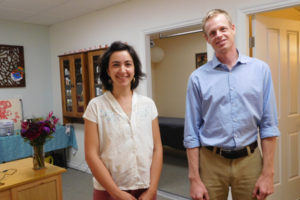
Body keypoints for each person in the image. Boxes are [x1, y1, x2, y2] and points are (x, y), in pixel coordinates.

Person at [184, 9, 280, 200]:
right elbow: (191, 133)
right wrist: (194, 178)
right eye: (212, 32)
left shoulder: (260, 70)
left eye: (223, 29)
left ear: (233, 29)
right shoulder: (197, 78)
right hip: (211, 162)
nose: (218, 35)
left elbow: (269, 126)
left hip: (250, 161)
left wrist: (268, 173)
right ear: (207, 38)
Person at [83, 41, 163, 200]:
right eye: (116, 65)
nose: (123, 70)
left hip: (145, 188)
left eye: (128, 64)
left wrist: (152, 189)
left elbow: (157, 148)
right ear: (108, 70)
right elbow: (91, 154)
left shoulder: (148, 105)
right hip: (109, 190)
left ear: (135, 68)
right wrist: (116, 193)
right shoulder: (96, 106)